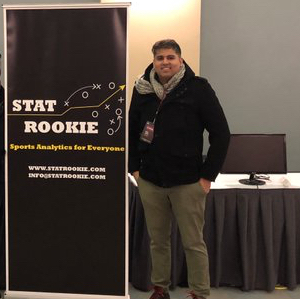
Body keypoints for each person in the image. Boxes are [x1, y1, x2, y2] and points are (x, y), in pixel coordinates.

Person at [129, 39, 230, 299]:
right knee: (157, 241)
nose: (165, 62)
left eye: (170, 57)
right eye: (160, 57)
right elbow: (130, 130)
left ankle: (199, 293)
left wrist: (208, 176)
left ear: (181, 61)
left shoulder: (198, 88)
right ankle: (160, 289)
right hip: (150, 179)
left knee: (193, 243)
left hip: (188, 181)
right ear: (153, 61)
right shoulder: (141, 90)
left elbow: (221, 133)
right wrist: (135, 170)